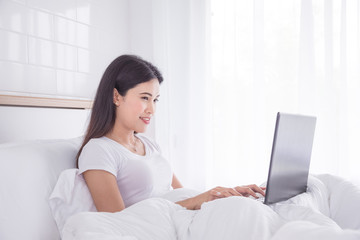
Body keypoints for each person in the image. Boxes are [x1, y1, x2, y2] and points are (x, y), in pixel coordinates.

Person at [76, 54, 265, 213]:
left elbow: (187, 198)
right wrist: (203, 198)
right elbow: (117, 221)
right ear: (116, 96)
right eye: (144, 98)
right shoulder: (99, 151)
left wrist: (223, 195)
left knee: (251, 208)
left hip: (182, 220)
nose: (152, 109)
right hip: (158, 229)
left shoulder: (149, 145)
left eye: (155, 100)